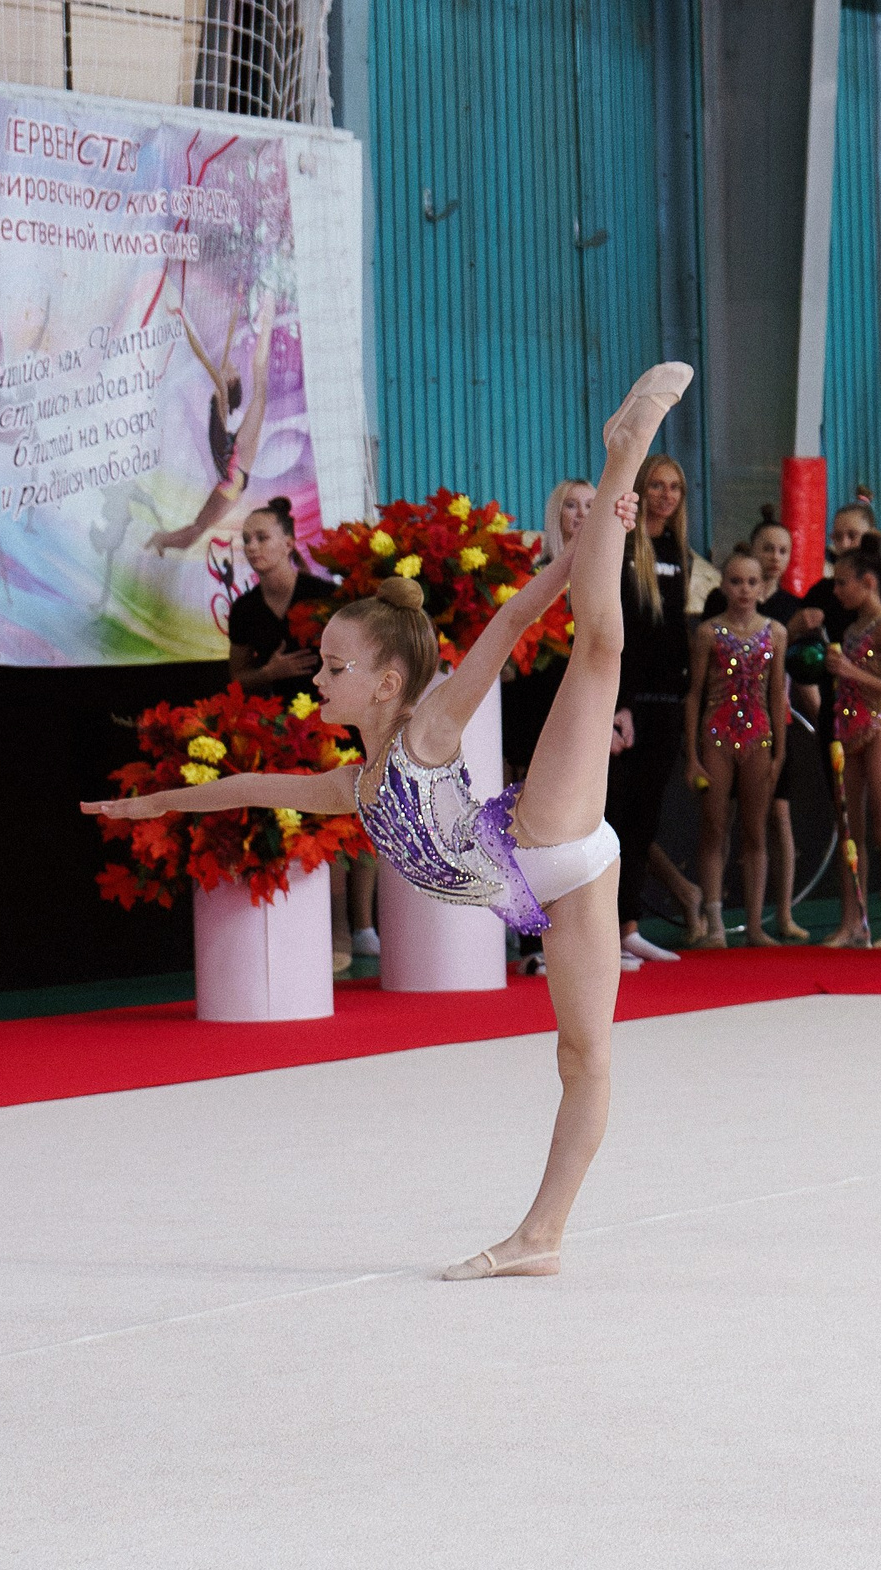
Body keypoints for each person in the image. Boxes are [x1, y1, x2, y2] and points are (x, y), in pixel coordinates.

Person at [85, 362, 692, 1280]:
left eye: (333, 667)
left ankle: (626, 453)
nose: (317, 678)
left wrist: (582, 548)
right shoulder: (354, 789)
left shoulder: (434, 726)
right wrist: (151, 802)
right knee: (581, 1057)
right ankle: (544, 1238)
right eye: (321, 665)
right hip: (561, 894)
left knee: (598, 647)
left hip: (543, 836)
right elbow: (248, 785)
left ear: (389, 681)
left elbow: (520, 616)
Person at [223, 496, 376, 966]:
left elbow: (356, 659)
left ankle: (364, 923)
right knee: (315, 826)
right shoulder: (245, 609)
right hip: (280, 730)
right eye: (246, 539)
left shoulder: (322, 596)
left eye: (261, 537)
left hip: (334, 721)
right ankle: (332, 934)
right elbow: (236, 680)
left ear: (289, 542)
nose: (252, 546)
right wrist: (270, 672)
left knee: (359, 814)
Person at [609, 453, 710, 965]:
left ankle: (629, 927)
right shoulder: (624, 546)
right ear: (641, 490)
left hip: (669, 702)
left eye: (675, 487)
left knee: (644, 822)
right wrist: (616, 705)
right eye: (656, 485)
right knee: (616, 818)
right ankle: (608, 931)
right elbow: (619, 634)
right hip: (628, 704)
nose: (665, 495)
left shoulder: (681, 551)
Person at [681, 548, 787, 945]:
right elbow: (694, 694)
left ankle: (756, 925)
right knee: (713, 826)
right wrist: (691, 755)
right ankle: (715, 923)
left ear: (762, 588)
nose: (744, 589)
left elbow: (778, 695)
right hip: (717, 734)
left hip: (758, 735)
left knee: (755, 831)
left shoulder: (776, 632)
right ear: (723, 585)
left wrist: (780, 750)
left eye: (752, 582)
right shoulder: (708, 632)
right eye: (737, 581)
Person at [823, 544, 881, 947]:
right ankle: (853, 923)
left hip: (877, 728)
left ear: (868, 582)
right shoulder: (851, 628)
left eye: (843, 583)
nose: (837, 591)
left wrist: (850, 671)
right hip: (849, 728)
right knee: (850, 832)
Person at [148, 288, 277, 555]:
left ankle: (163, 539)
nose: (229, 366)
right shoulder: (220, 396)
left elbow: (202, 353)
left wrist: (184, 317)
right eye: (232, 367)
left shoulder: (220, 397)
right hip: (234, 472)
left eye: (231, 370)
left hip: (232, 476)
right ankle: (267, 322)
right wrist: (184, 316)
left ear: (230, 381)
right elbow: (211, 353)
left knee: (197, 528)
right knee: (261, 387)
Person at [504, 477, 595, 787]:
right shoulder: (534, 572)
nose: (581, 514)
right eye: (571, 505)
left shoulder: (610, 572)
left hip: (585, 693)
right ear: (556, 513)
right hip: (537, 696)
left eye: (589, 506)